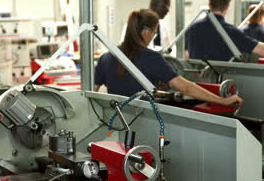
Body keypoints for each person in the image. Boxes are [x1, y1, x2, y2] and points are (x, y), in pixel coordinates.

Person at [94, 9, 243, 108]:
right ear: (146, 32)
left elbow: (93, 92)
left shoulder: (106, 57)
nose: (154, 36)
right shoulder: (152, 58)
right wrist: (223, 100)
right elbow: (187, 88)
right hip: (142, 122)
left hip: (114, 120)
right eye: (154, 32)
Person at [185, 0, 264, 61]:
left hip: (194, 75)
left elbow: (187, 54)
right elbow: (261, 49)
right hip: (223, 75)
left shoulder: (192, 28)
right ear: (227, 6)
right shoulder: (232, 32)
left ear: (209, 5)